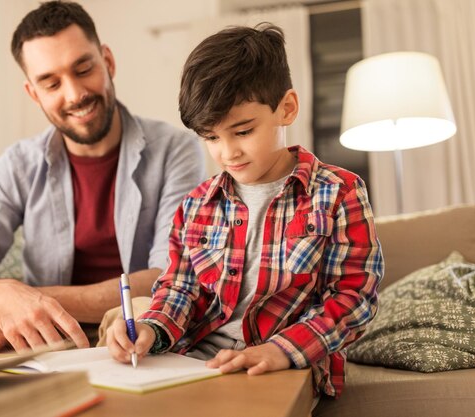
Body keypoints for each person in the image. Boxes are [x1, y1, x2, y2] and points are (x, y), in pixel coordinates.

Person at [0, 1, 205, 355]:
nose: (74, 94)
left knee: (142, 312)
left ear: (107, 62)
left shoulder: (176, 149)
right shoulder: (19, 163)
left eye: (83, 69)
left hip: (126, 325)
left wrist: (31, 300)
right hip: (37, 331)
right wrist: (3, 296)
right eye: (51, 83)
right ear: (34, 93)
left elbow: (165, 278)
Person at [107, 23, 383, 399]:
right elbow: (179, 288)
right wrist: (151, 328)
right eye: (210, 137)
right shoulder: (195, 206)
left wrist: (281, 351)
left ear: (286, 109)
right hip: (194, 363)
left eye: (242, 131)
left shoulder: (339, 193)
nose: (227, 152)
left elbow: (353, 297)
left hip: (287, 364)